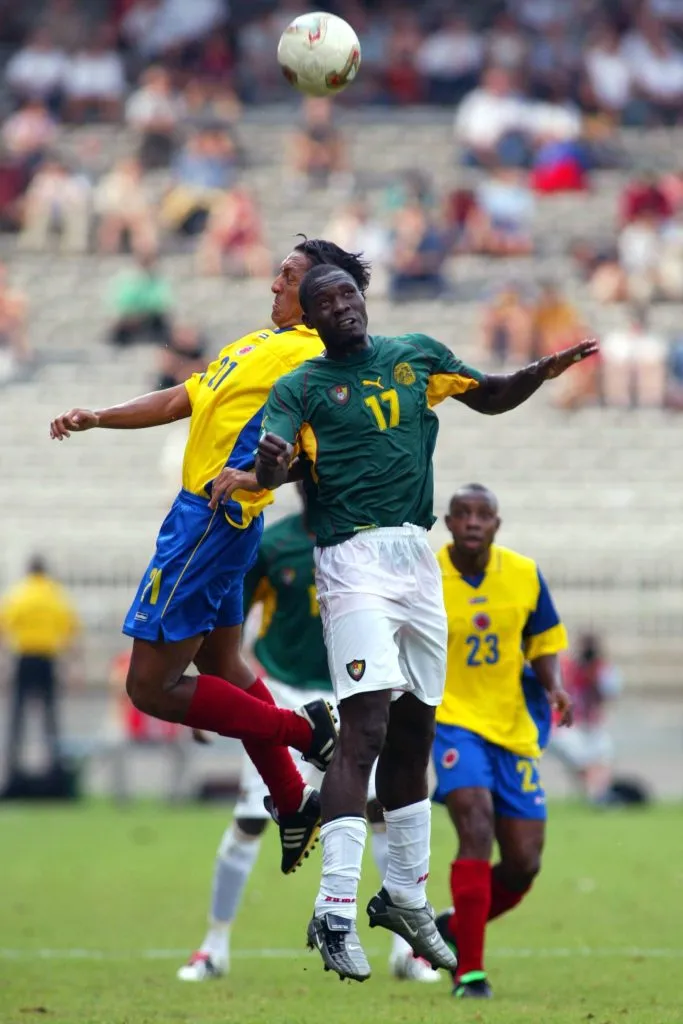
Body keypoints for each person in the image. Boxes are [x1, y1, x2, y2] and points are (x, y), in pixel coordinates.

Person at [251, 263, 597, 981]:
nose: (342, 305)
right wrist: (269, 462)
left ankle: (405, 899)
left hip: (416, 558)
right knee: (365, 728)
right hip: (351, 559)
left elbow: (491, 394)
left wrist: (540, 370)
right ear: (309, 319)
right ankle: (335, 908)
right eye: (326, 301)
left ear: (363, 299)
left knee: (411, 732)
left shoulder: (417, 355)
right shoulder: (302, 386)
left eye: (348, 293)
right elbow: (271, 461)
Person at [48, 240, 371, 875]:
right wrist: (98, 417)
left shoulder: (311, 357)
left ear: (319, 293)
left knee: (149, 687)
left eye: (288, 276)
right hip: (214, 522)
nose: (273, 284)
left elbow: (311, 450)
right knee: (222, 662)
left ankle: (309, 735)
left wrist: (257, 476)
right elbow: (182, 399)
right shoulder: (255, 346)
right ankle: (290, 798)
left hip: (209, 522)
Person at [178, 486, 438, 984]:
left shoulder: (369, 543)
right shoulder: (273, 544)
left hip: (357, 695)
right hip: (285, 691)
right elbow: (224, 622)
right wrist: (212, 702)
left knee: (381, 811)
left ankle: (406, 952)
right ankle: (213, 947)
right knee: (254, 818)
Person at [429, 485, 571, 999]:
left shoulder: (524, 574)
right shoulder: (425, 576)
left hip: (512, 727)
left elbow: (544, 641)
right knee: (475, 825)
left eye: (482, 514)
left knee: (524, 861)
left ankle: (447, 929)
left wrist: (554, 686)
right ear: (447, 523)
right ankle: (469, 973)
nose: (472, 522)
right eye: (462, 514)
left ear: (496, 524)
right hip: (451, 722)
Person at [0, 556, 81, 780]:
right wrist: (74, 667)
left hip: (24, 657)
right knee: (50, 718)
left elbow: (3, 629)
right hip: (47, 658)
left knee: (17, 716)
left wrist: (4, 663)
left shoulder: (18, 594)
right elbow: (70, 632)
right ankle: (54, 767)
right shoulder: (55, 595)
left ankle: (12, 766)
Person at [549, 633, 621, 803]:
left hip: (591, 724)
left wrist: (595, 676)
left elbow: (608, 694)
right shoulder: (567, 667)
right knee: (583, 761)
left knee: (603, 757)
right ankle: (595, 797)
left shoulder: (602, 669)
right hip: (565, 724)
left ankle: (599, 796)